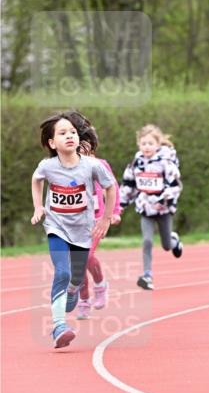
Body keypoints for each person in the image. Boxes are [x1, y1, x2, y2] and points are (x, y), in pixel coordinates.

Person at [30, 112, 115, 348]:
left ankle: (73, 291)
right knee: (62, 273)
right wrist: (39, 206)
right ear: (51, 142)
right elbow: (36, 180)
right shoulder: (47, 166)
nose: (69, 136)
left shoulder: (92, 165)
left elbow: (110, 188)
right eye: (62, 133)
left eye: (73, 132)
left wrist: (106, 218)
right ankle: (59, 326)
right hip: (56, 227)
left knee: (76, 279)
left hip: (83, 231)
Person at [119, 124, 183, 290]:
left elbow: (175, 185)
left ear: (158, 144)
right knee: (147, 241)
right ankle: (147, 275)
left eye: (150, 143)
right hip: (145, 209)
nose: (147, 147)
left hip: (163, 210)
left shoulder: (166, 162)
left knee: (166, 245)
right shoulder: (136, 163)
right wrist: (120, 205)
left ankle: (175, 242)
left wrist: (164, 199)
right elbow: (128, 185)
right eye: (143, 143)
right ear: (139, 144)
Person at [74, 123, 122, 318]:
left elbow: (113, 188)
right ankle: (84, 298)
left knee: (84, 257)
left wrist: (115, 211)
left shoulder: (100, 165)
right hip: (74, 222)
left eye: (87, 151)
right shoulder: (67, 167)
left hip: (96, 220)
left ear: (93, 150)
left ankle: (100, 284)